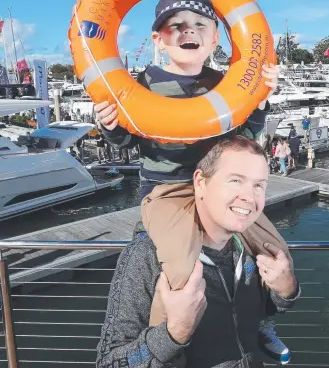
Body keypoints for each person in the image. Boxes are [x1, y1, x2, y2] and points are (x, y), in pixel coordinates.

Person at [94, 0, 290, 360]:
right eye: (176, 25)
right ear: (159, 40)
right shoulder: (141, 85)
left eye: (200, 24)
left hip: (219, 191)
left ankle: (264, 323)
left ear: (216, 37)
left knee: (274, 247)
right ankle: (168, 343)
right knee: (181, 268)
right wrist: (109, 125)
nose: (189, 31)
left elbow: (241, 137)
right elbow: (125, 141)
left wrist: (260, 101)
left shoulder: (225, 83)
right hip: (168, 191)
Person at [96, 136, 300, 367]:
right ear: (200, 183)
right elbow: (108, 363)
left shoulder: (253, 250)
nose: (249, 197)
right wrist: (174, 333)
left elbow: (269, 308)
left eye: (258, 185)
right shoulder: (146, 257)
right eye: (235, 181)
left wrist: (288, 289)